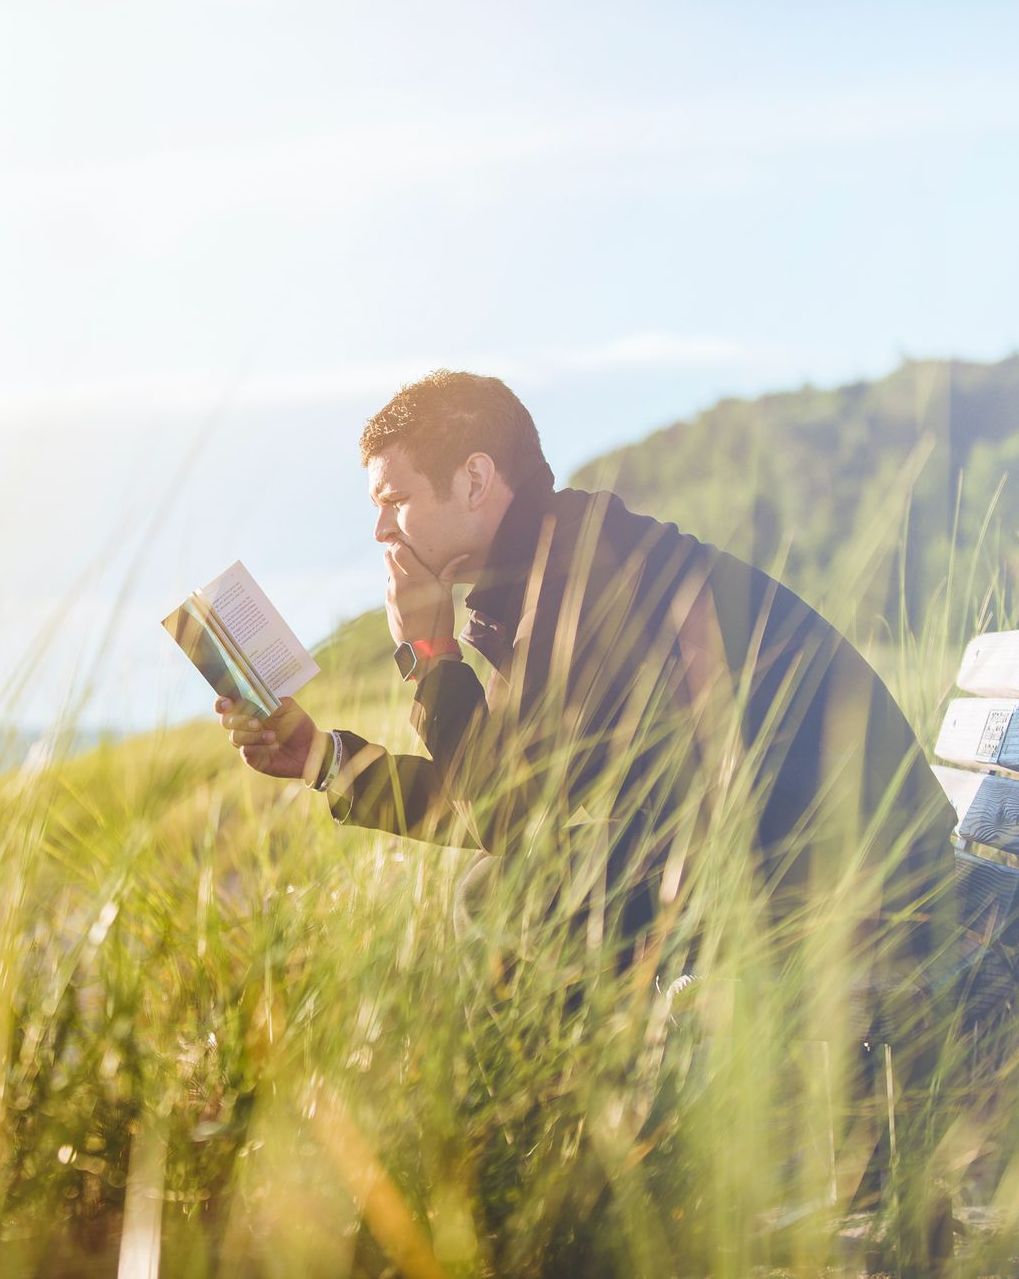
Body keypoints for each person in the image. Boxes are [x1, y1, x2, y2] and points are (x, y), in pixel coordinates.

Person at [216, 369, 957, 997]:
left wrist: (434, 651)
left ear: (474, 478)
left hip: (865, 897)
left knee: (508, 897)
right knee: (514, 887)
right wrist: (320, 757)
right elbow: (508, 803)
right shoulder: (547, 571)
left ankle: (590, 1153)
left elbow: (503, 812)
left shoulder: (586, 577)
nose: (380, 531)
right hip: (794, 868)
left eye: (394, 499)